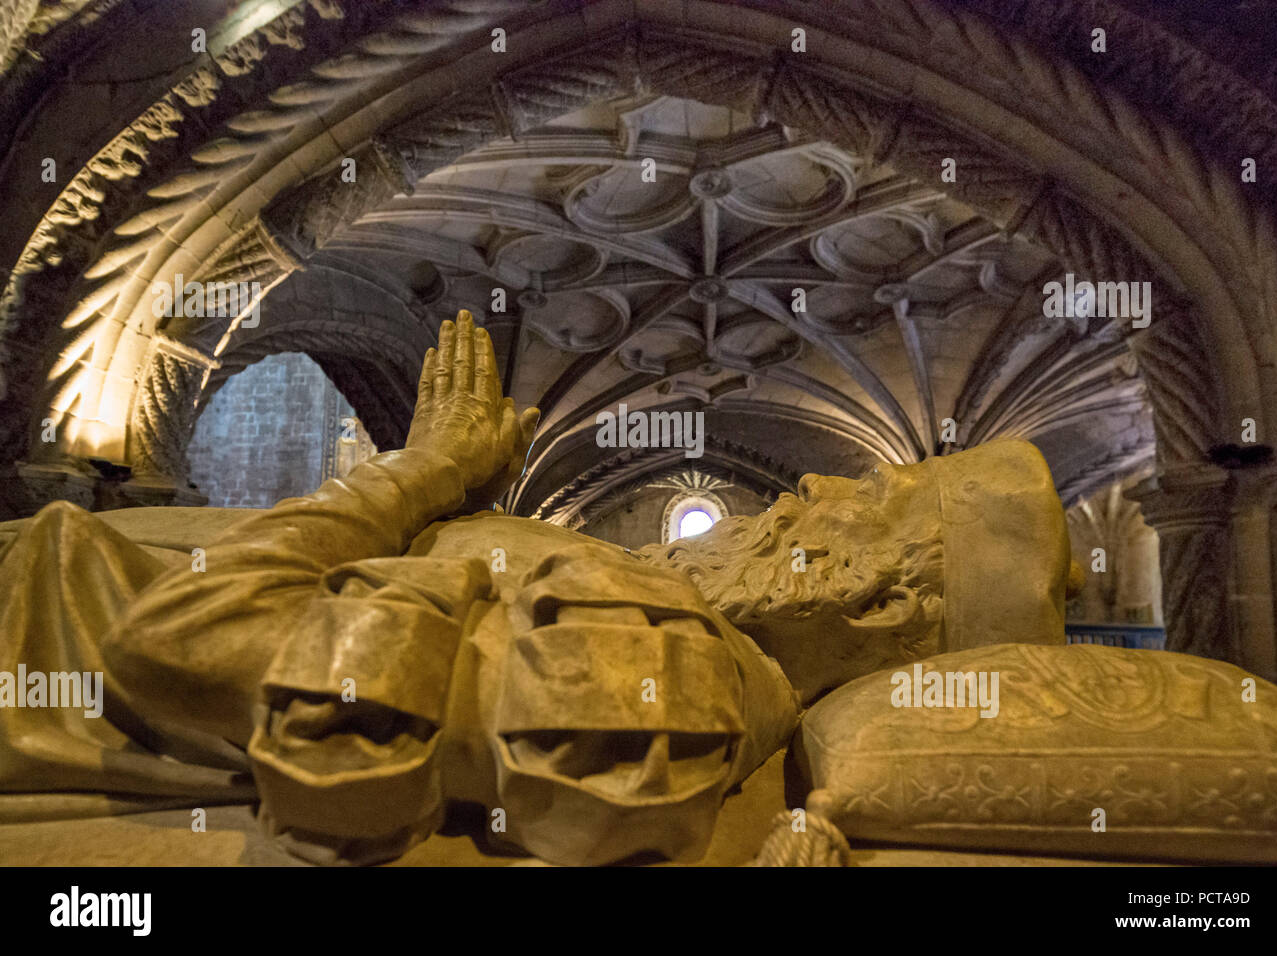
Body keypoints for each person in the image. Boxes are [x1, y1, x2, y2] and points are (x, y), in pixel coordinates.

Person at [0, 311, 1073, 865]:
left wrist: (424, 466)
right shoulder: (652, 616)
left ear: (876, 600)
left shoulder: (666, 666)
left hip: (48, 638)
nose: (820, 485)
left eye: (871, 501)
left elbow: (186, 631)